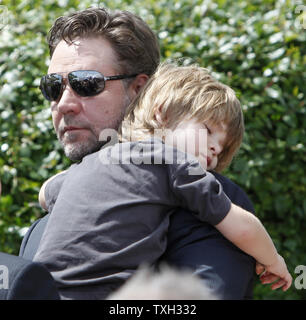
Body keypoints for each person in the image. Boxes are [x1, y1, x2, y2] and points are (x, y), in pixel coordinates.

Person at [18, 7, 276, 299]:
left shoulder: (204, 198)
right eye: (53, 87)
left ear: (139, 89)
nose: (63, 103)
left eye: (85, 83)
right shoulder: (39, 229)